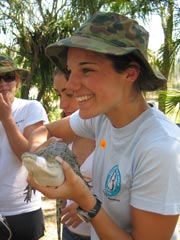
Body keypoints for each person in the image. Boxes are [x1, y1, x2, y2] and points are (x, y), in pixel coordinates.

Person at [28, 12, 180, 240]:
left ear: (130, 73)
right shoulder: (102, 117)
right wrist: (41, 154)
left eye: (87, 70)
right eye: (71, 71)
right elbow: (45, 130)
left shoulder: (160, 148)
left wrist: (84, 198)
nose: (71, 84)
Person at [0, 55, 48, 240]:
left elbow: (29, 157)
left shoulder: (31, 108)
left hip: (23, 211)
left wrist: (6, 118)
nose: (3, 83)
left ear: (17, 81)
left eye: (9, 76)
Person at [53, 67, 95, 240]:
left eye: (69, 94)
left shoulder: (111, 132)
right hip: (70, 232)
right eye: (58, 95)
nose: (62, 104)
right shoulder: (64, 136)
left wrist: (86, 204)